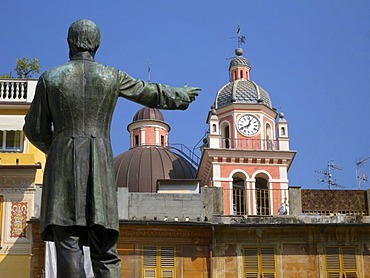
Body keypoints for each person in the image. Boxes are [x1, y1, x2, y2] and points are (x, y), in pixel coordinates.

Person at [23, 19, 199, 278]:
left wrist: (59, 147)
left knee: (68, 243)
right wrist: (180, 95)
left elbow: (34, 129)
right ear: (97, 45)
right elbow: (147, 91)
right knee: (105, 248)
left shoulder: (51, 79)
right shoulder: (110, 76)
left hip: (62, 170)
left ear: (70, 43)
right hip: (100, 170)